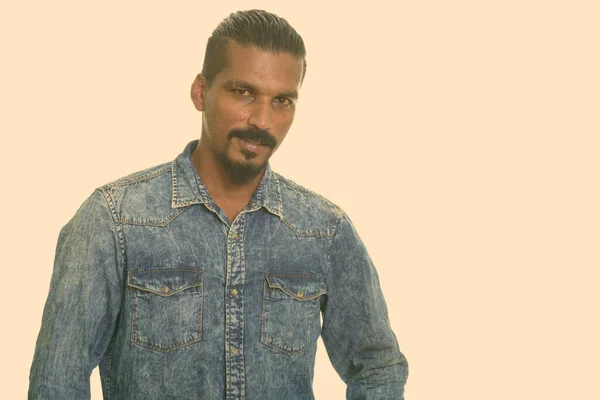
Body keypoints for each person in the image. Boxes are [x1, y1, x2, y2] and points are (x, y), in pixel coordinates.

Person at [29, 9, 408, 400]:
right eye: (243, 92)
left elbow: (378, 367)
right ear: (200, 91)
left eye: (282, 100)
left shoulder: (324, 231)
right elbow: (57, 382)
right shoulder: (115, 220)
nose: (263, 119)